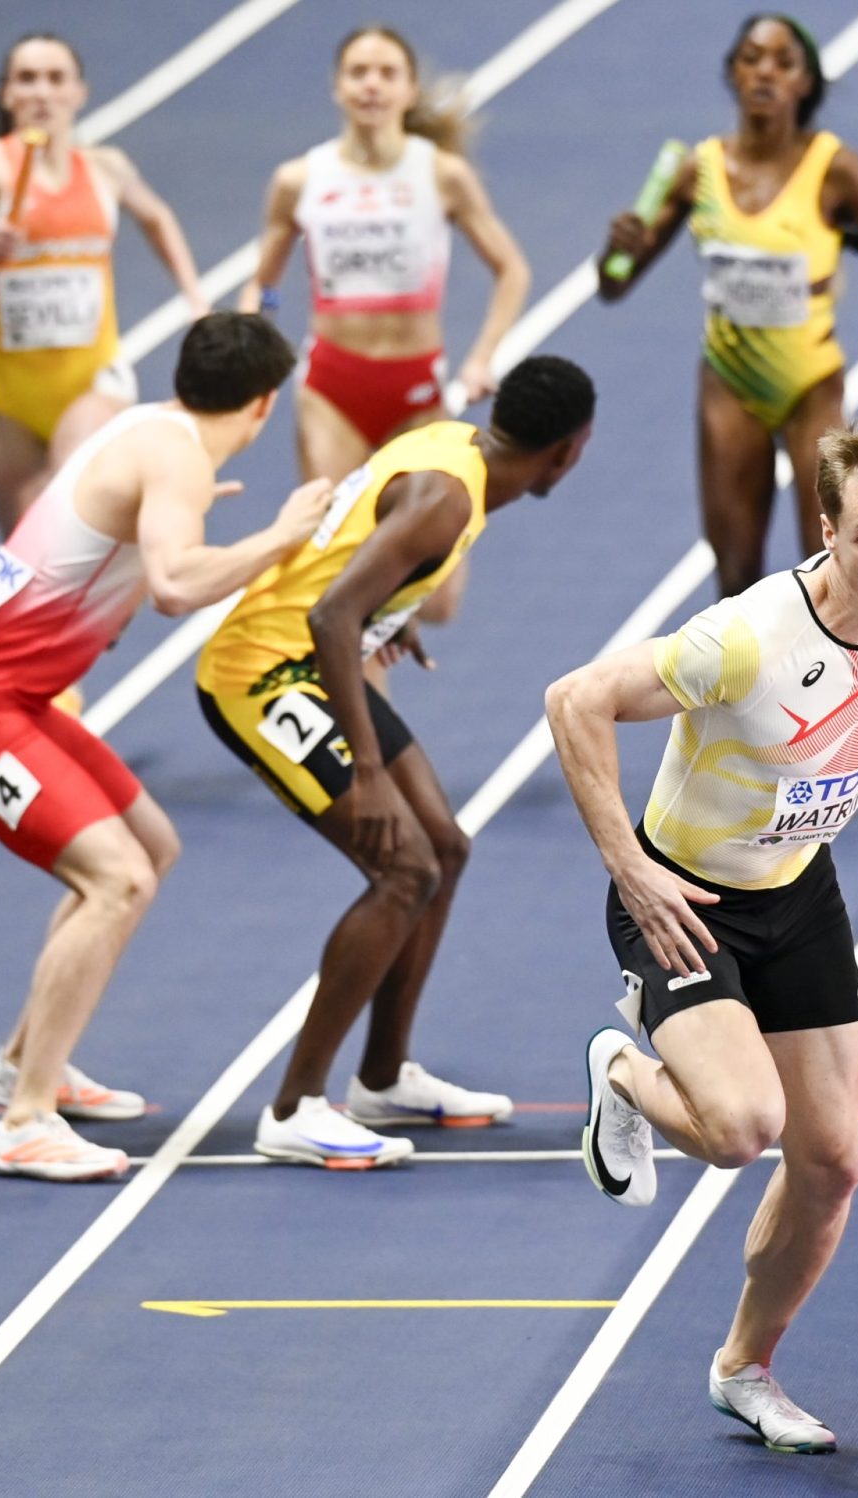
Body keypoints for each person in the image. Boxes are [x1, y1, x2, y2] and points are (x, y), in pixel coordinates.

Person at [551, 426, 858, 1454]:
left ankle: (742, 1369)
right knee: (736, 1129)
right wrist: (628, 870)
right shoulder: (744, 638)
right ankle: (624, 1073)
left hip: (797, 892)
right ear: (824, 536)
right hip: (685, 902)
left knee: (833, 1161)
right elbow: (573, 699)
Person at [0, 312, 332, 1183]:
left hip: (10, 696)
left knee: (153, 847)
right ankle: (23, 1121)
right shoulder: (174, 458)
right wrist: (281, 536)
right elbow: (177, 586)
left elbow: (80, 554)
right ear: (262, 405)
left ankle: (28, 1061)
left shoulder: (143, 431)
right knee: (117, 878)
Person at [195, 355, 594, 1168]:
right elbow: (334, 615)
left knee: (445, 847)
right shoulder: (447, 501)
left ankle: (382, 1077)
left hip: (306, 659)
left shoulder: (453, 447)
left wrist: (396, 606)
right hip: (263, 675)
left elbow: (357, 557)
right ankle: (295, 1106)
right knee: (403, 869)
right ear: (569, 450)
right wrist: (367, 772)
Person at [596, 13, 858, 600]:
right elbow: (612, 289)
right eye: (751, 57)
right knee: (737, 576)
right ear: (733, 73)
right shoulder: (698, 170)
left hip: (809, 386)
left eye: (783, 62)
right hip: (729, 386)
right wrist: (615, 254)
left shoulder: (835, 170)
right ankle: (746, 692)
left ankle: (843, 689)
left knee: (830, 568)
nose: (764, 71)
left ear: (805, 84)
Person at [0, 32, 212, 537]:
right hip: (8, 394)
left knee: (73, 529)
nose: (42, 93)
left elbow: (158, 217)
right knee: (23, 558)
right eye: (27, 79)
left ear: (79, 93)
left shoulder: (105, 168)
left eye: (56, 79)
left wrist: (195, 298)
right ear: (7, 94)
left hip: (92, 381)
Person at [238, 25, 530, 487]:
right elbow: (264, 285)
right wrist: (255, 335)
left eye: (387, 73)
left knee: (435, 551)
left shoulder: (441, 175)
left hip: (417, 386)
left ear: (409, 90)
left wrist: (482, 358)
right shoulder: (298, 180)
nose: (371, 84)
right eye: (358, 73)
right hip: (332, 388)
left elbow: (511, 269)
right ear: (337, 88)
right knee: (330, 546)